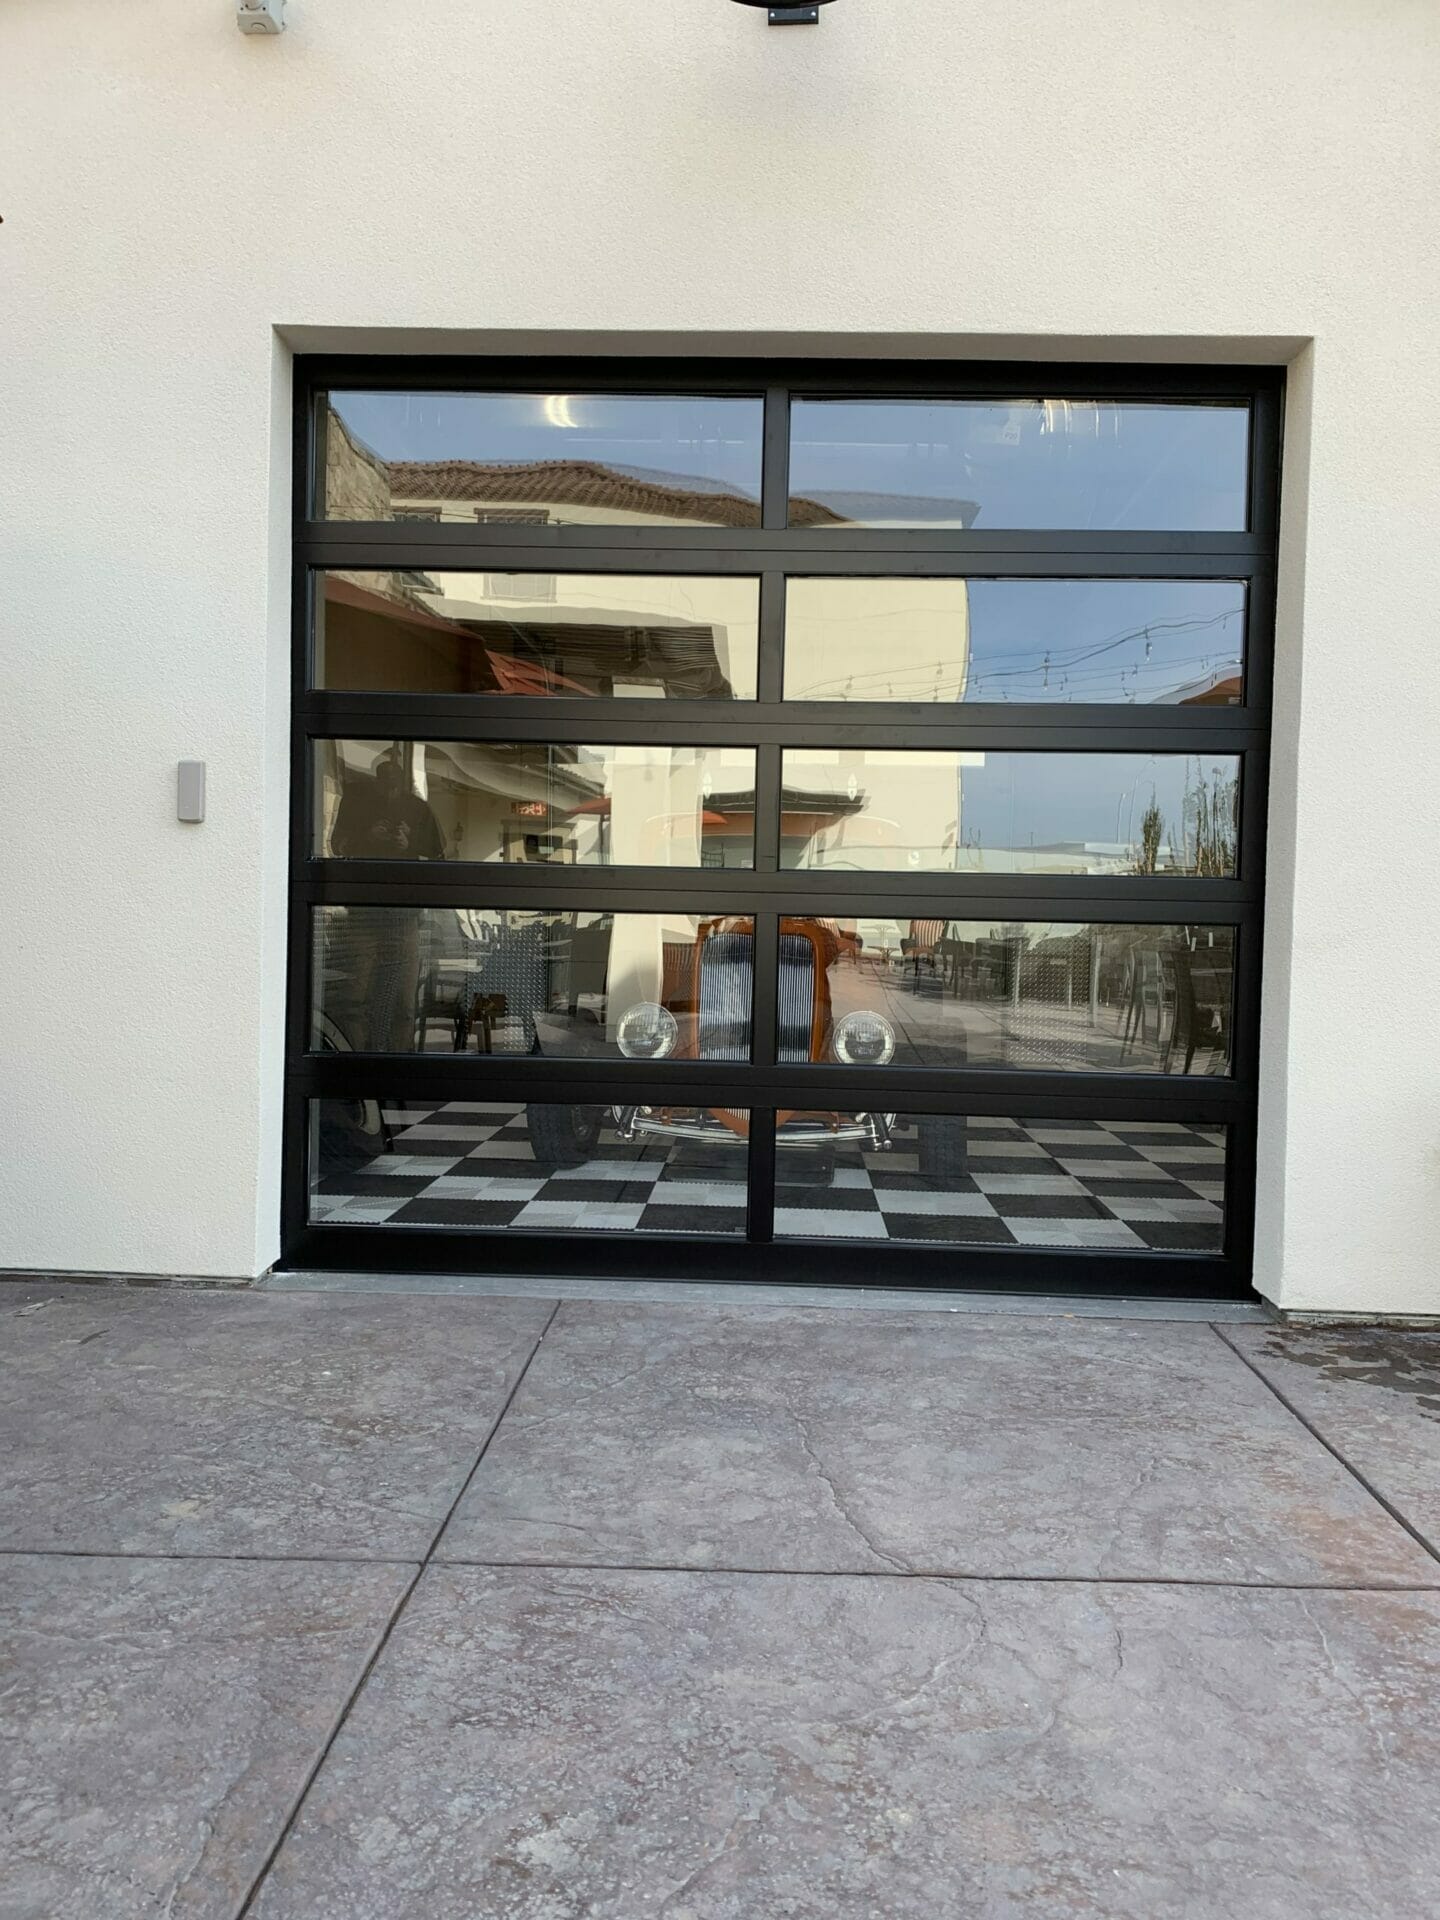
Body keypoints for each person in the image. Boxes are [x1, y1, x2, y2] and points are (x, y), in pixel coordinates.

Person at [332, 754, 445, 860]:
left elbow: (437, 850)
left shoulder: (419, 807)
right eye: (385, 786)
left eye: (394, 787)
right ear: (376, 781)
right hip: (365, 872)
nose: (389, 793)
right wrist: (368, 836)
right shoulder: (357, 803)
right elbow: (337, 845)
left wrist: (410, 839)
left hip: (405, 874)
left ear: (402, 783)